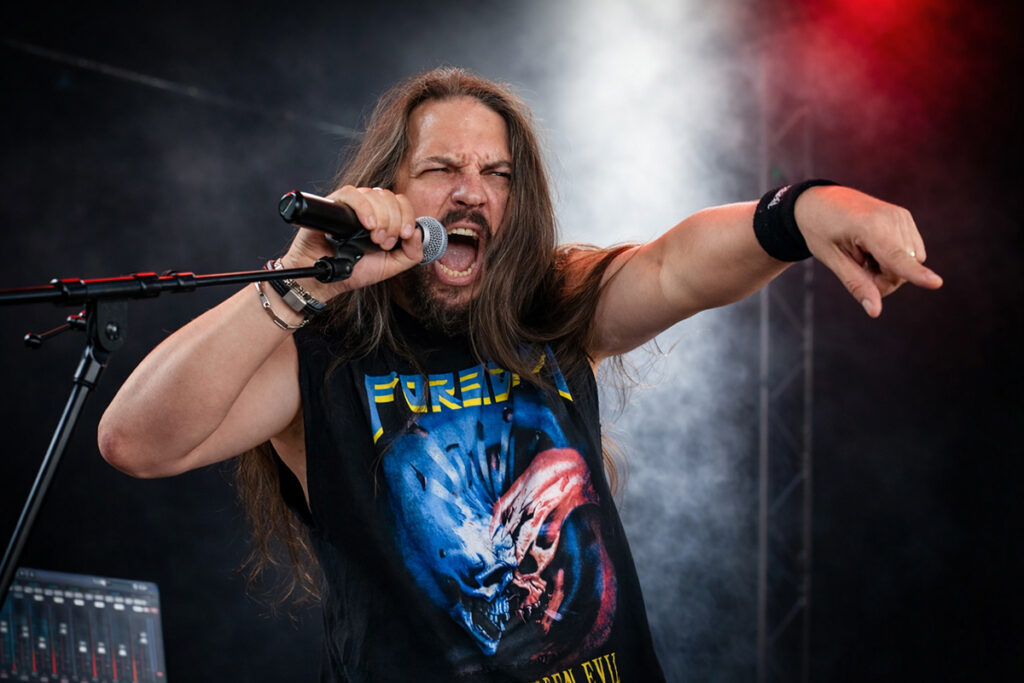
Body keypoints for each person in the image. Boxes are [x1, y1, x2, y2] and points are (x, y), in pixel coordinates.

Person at [97, 67, 942, 682]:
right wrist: (296, 280)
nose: (473, 192)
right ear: (388, 190)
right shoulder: (322, 348)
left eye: (496, 173)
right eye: (442, 169)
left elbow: (675, 265)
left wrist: (800, 211)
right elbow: (135, 440)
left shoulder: (550, 302)